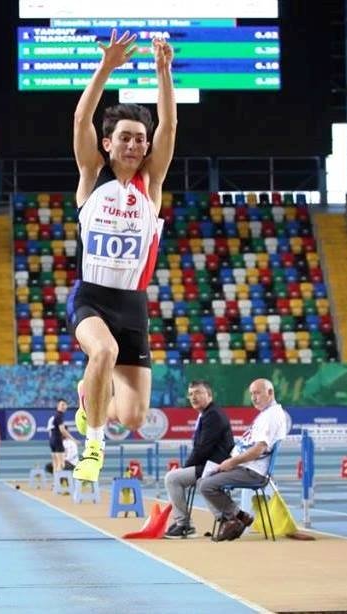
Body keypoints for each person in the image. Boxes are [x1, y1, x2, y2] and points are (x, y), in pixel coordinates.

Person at [68, 30, 177, 483]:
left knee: (132, 416)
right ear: (108, 144)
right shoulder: (92, 176)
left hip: (133, 304)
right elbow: (80, 120)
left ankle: (88, 401)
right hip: (91, 297)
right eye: (124, 138)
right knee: (104, 352)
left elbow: (169, 126)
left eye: (139, 139)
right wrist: (106, 68)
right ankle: (93, 448)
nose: (133, 144)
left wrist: (163, 72)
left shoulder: (150, 188)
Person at [197, 378, 289, 542]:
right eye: (251, 393)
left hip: (253, 471)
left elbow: (258, 449)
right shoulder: (266, 414)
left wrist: (231, 463)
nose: (254, 397)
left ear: (270, 393)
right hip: (245, 466)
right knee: (204, 478)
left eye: (257, 393)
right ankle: (238, 517)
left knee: (206, 484)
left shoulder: (271, 416)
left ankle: (234, 519)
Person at [162, 380, 234, 539]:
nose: (193, 397)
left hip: (216, 465)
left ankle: (183, 524)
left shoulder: (213, 415)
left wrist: (185, 468)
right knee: (196, 480)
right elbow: (201, 449)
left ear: (209, 395)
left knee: (172, 478)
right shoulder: (207, 414)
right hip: (210, 465)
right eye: (191, 394)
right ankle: (225, 518)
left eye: (198, 393)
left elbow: (202, 449)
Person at [47, 398, 77, 474]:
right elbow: (62, 430)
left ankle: (55, 483)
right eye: (62, 405)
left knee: (55, 463)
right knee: (61, 464)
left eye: (65, 405)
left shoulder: (55, 416)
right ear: (58, 406)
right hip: (57, 440)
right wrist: (73, 439)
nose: (63, 406)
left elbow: (51, 430)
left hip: (52, 441)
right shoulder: (59, 416)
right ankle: (59, 483)